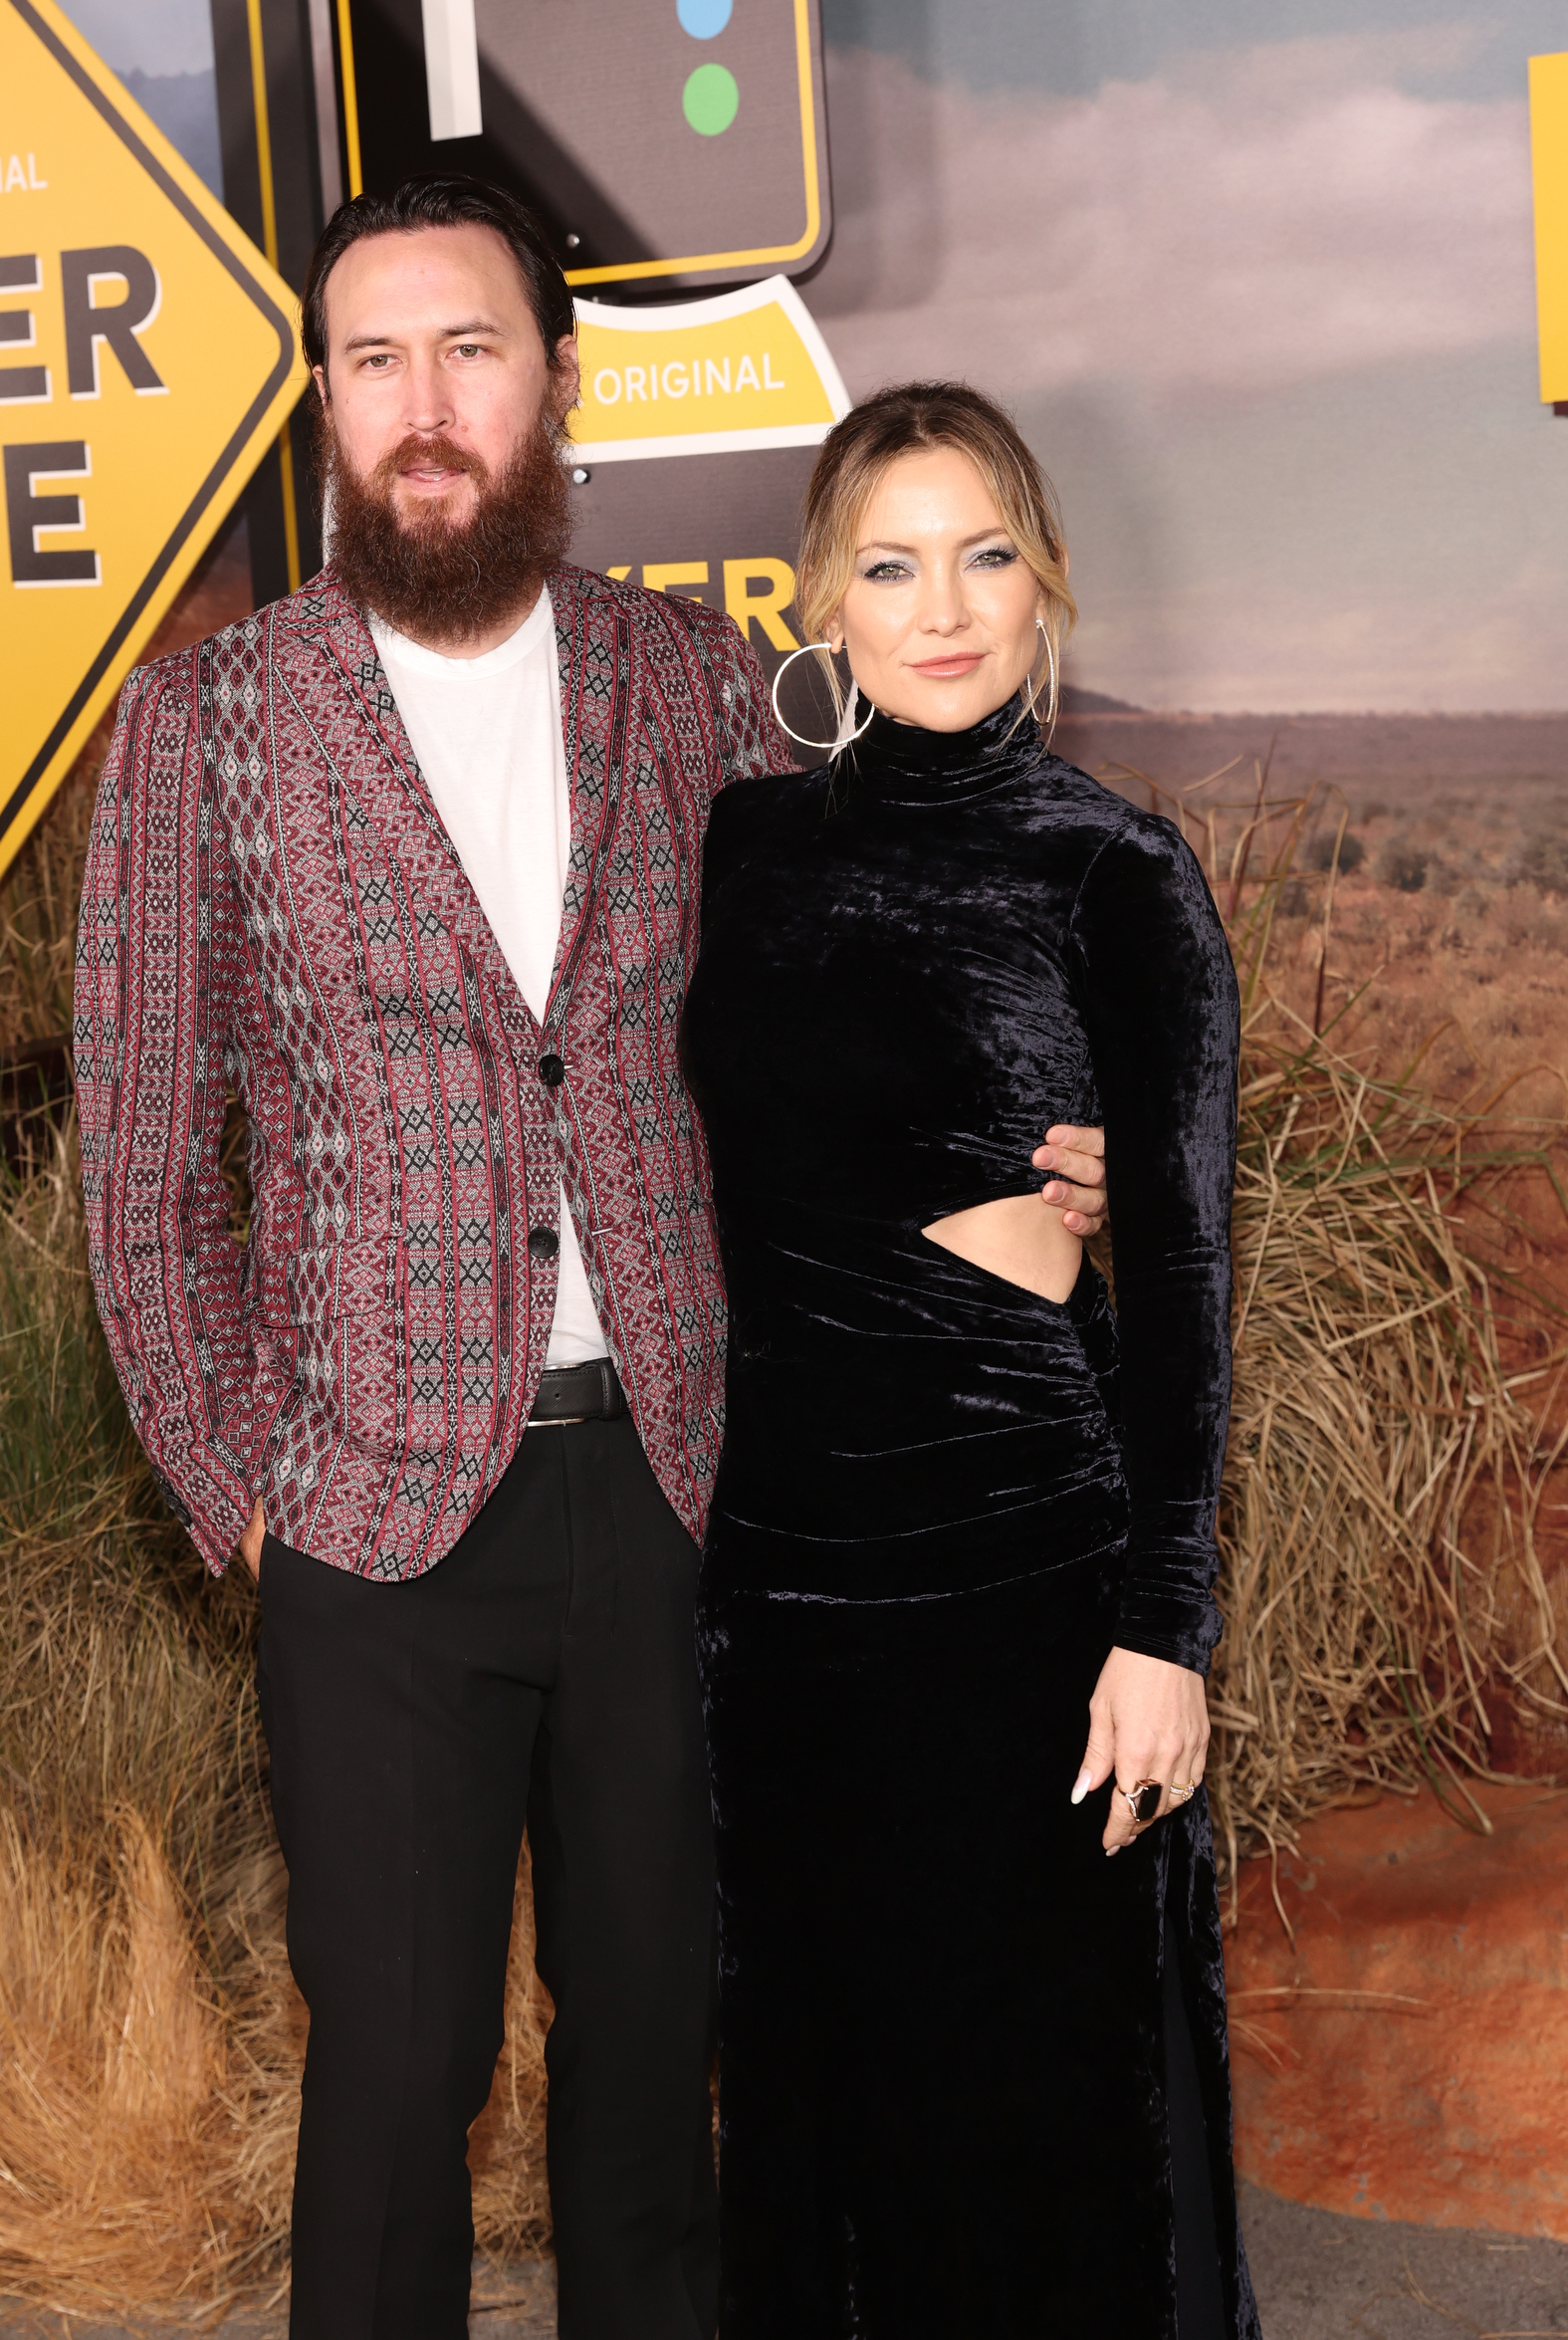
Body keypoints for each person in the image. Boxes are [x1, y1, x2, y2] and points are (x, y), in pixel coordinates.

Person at [74, 181, 1111, 2340]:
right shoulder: (204, 729)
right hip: (365, 1536)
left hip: (673, 1498)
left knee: (655, 2079)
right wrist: (239, 1491)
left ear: (554, 380)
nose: (421, 408)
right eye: (372, 362)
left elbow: (806, 1048)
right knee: (395, 2086)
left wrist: (1019, 1153)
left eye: (468, 351)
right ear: (324, 403)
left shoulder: (692, 681)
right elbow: (150, 1163)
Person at [686, 379, 1258, 2340]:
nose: (943, 606)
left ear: (1047, 581)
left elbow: (1184, 1288)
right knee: (820, 2128)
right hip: (780, 1595)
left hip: (1024, 1588)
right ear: (817, 601)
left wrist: (1163, 1632)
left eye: (984, 553)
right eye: (891, 561)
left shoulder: (1120, 877)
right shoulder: (741, 853)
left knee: (1033, 2146)